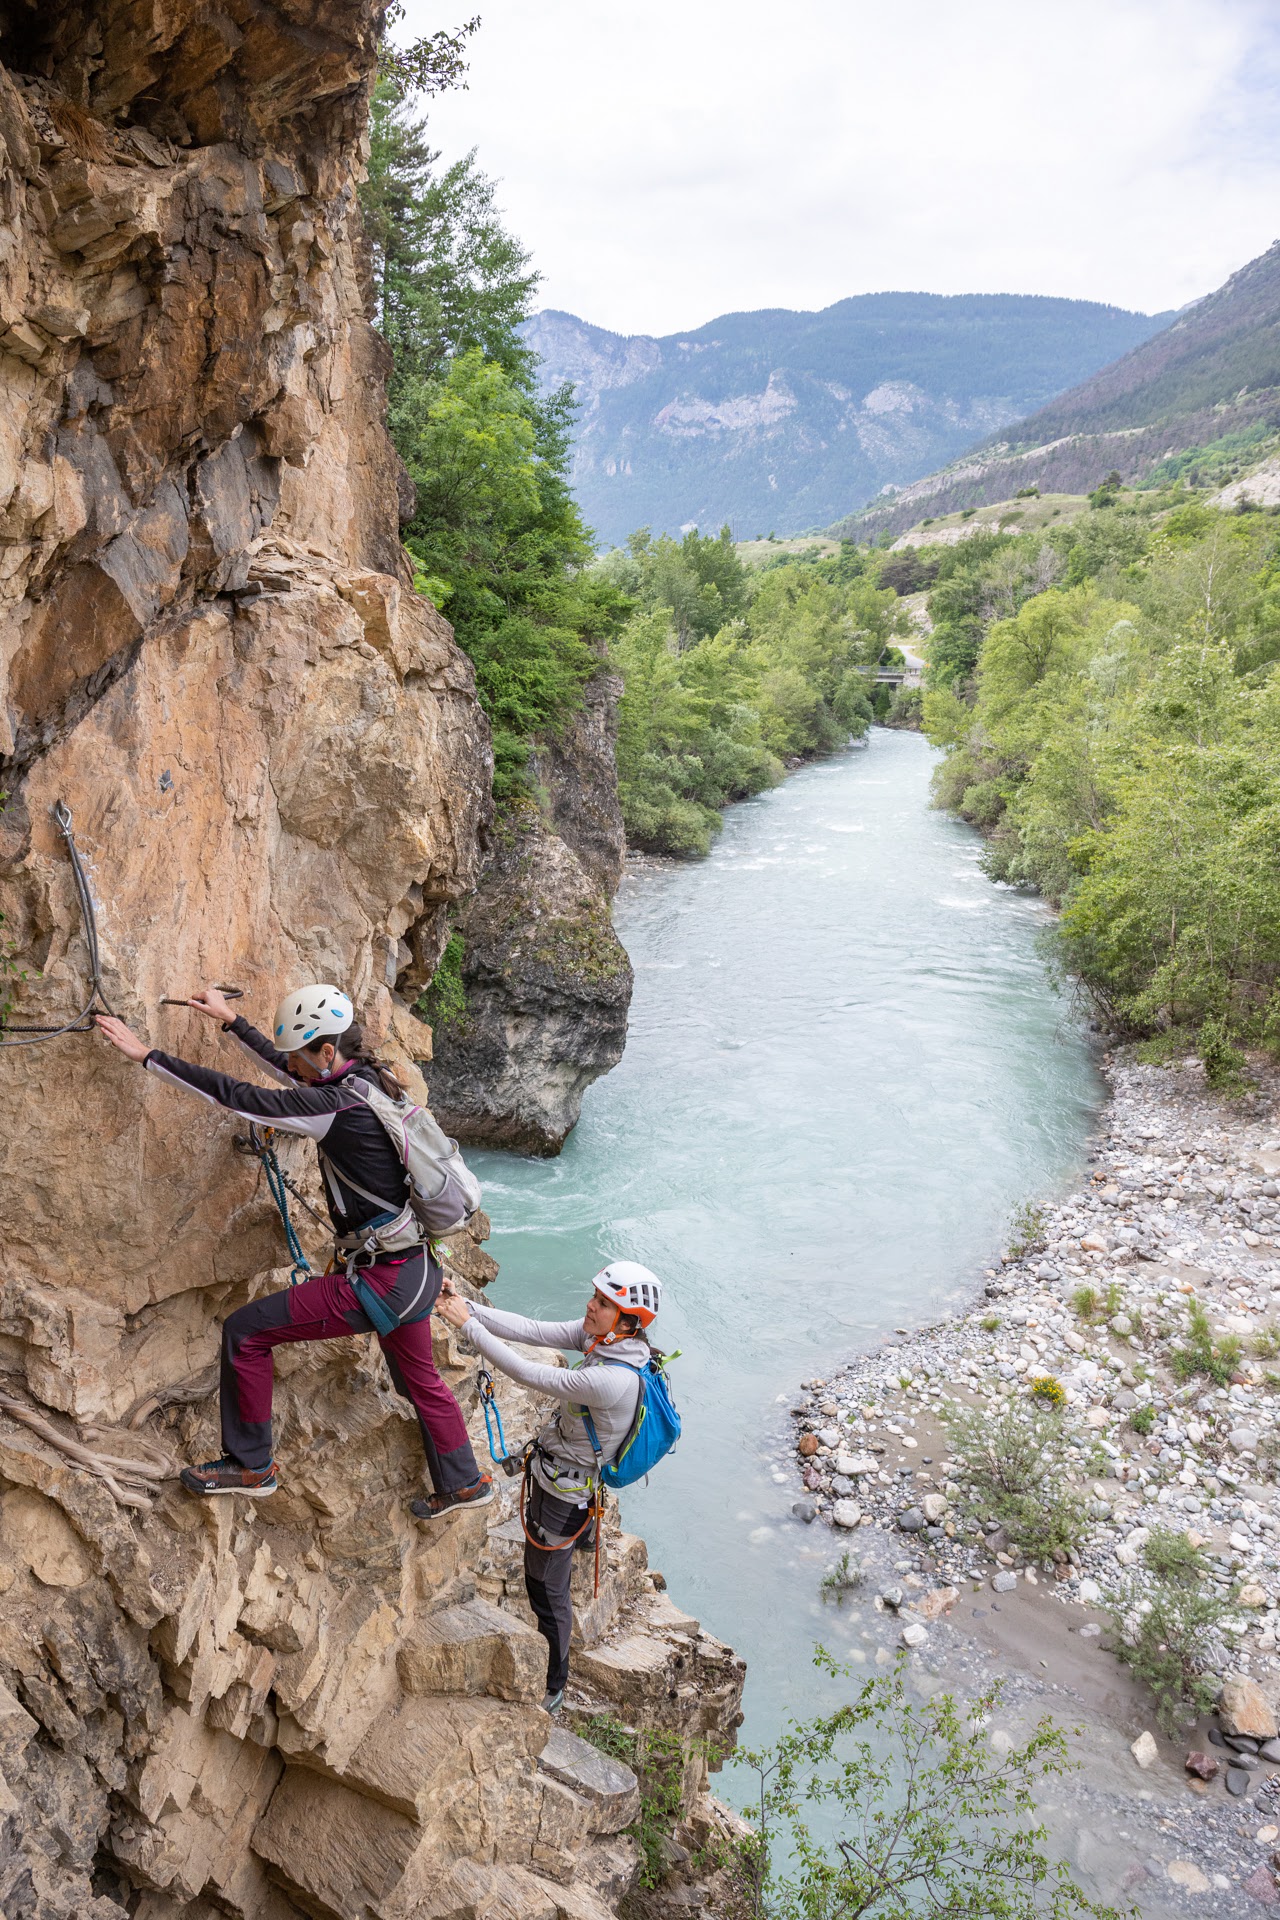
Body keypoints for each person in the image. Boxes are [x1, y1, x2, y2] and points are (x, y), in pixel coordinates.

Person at [95, 983, 493, 1519]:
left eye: (301, 1058)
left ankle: (249, 1464)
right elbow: (292, 1077)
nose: (294, 1068)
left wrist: (149, 1057)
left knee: (246, 1331)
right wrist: (233, 1022)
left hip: (381, 1279)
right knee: (419, 1379)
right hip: (416, 1269)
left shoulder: (337, 1106)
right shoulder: (370, 1082)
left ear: (327, 1053)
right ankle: (465, 1482)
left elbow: (240, 1097)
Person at [435, 1260, 663, 1713]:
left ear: (629, 1321)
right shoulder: (610, 1344)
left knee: (544, 1583)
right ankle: (585, 1539)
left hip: (565, 1491)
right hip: (567, 1473)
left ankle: (555, 1681)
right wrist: (465, 1307)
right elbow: (533, 1330)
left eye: (603, 1303)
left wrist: (469, 1328)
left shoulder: (610, 1378)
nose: (590, 1305)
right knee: (547, 1572)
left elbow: (532, 1374)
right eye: (595, 1296)